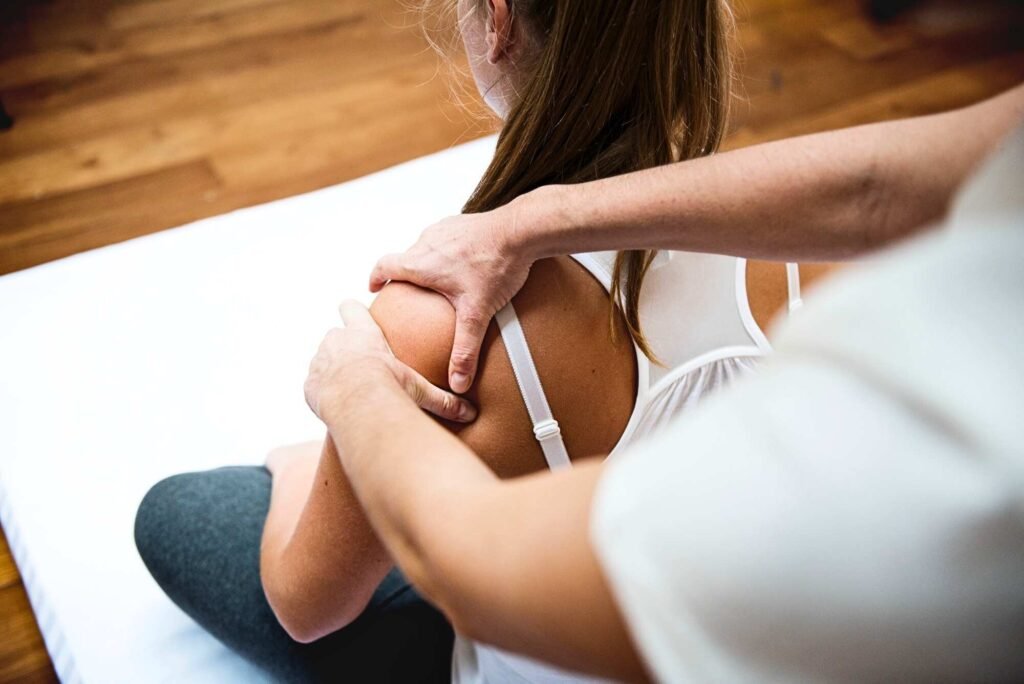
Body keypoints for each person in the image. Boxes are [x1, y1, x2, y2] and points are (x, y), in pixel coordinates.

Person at [136, 0, 771, 682]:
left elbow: (305, 608)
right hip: (726, 629)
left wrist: (312, 455)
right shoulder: (801, 241)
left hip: (558, 642)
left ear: (498, 19)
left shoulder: (439, 326)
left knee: (178, 515)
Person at [305, 113, 1024, 681]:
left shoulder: (926, 482)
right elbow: (871, 188)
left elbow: (373, 586)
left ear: (495, 21)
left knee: (203, 514)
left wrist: (358, 394)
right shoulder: (835, 276)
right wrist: (531, 221)